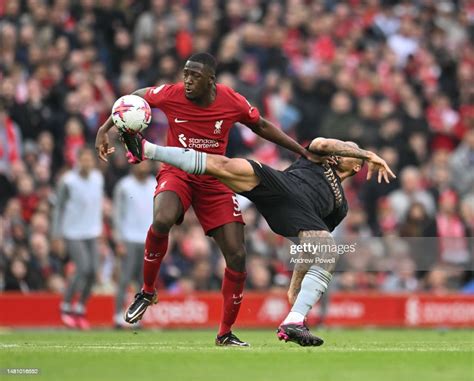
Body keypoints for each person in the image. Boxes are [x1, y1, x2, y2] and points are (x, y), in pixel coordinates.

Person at [95, 52, 314, 346]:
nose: (186, 80)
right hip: (178, 173)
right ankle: (147, 290)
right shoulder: (171, 94)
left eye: (194, 76)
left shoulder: (231, 100)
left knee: (237, 255)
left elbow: (260, 125)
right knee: (162, 218)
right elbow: (133, 98)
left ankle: (224, 333)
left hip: (215, 179)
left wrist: (300, 150)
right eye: (185, 73)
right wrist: (105, 128)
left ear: (210, 80)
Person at [120, 132, 395, 346]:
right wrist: (368, 152)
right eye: (347, 147)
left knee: (326, 250)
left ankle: (294, 320)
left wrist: (295, 284)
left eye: (350, 149)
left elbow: (309, 244)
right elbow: (323, 142)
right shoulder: (319, 158)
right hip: (280, 185)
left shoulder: (342, 206)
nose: (343, 148)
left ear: (356, 166)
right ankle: (147, 149)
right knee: (222, 165)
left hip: (295, 215)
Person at [51, 147, 104, 330]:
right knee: (83, 268)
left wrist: (102, 231)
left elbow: (97, 206)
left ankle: (80, 308)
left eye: (90, 159)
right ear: (77, 161)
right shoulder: (68, 181)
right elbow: (58, 208)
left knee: (93, 272)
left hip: (93, 232)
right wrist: (56, 235)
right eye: (84, 159)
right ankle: (65, 306)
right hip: (72, 232)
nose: (87, 163)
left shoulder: (98, 179)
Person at [112, 161, 155, 328]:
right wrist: (119, 240)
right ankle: (117, 315)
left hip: (148, 240)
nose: (143, 166)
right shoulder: (124, 186)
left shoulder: (154, 184)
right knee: (124, 278)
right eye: (140, 163)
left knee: (142, 282)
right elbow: (117, 214)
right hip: (129, 238)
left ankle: (136, 317)